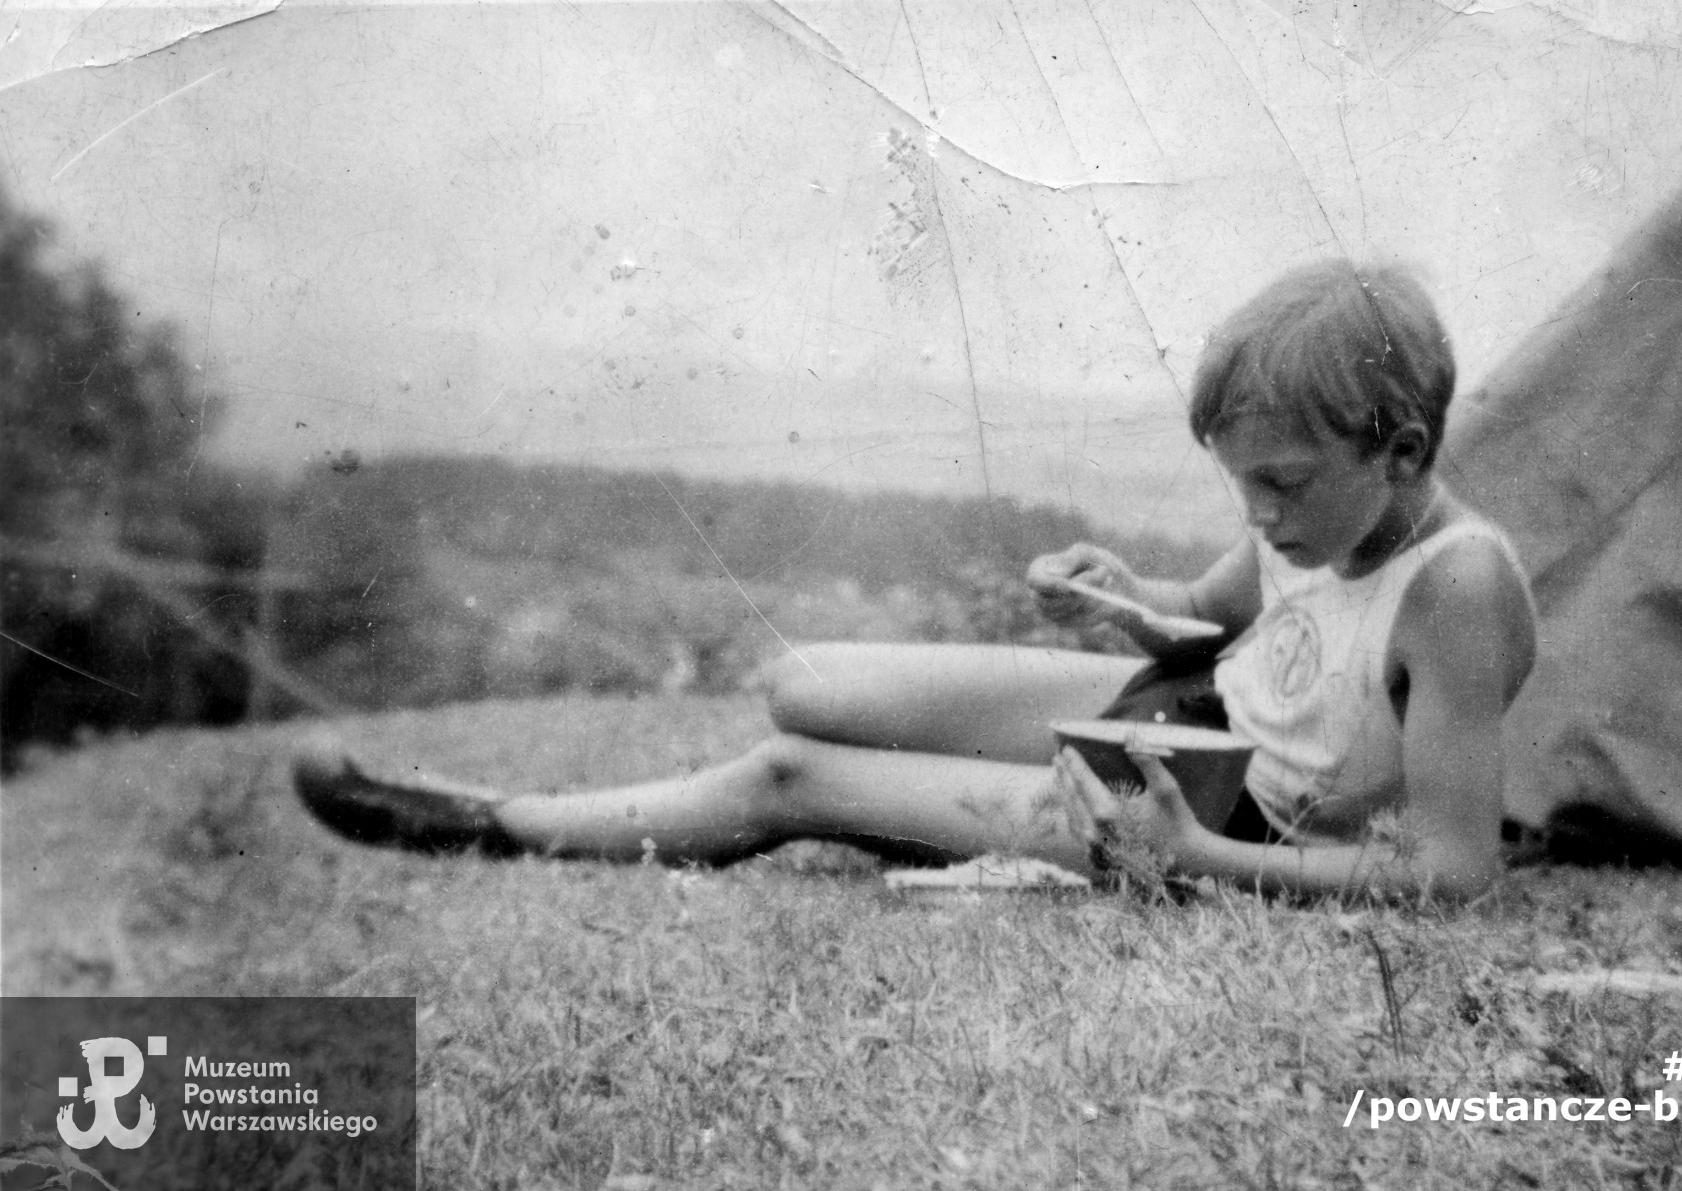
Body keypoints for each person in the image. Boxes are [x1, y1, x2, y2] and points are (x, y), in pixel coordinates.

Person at [294, 258, 1536, 901]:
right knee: (807, 682)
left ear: (1404, 453)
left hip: (1225, 817)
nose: (1259, 513)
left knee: (792, 775)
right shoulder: (1317, 503)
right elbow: (1220, 613)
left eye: (1281, 486)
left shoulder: (1457, 590)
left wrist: (1194, 863)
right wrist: (1124, 594)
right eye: (1239, 484)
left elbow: (1454, 876)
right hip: (1180, 707)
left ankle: (484, 823)